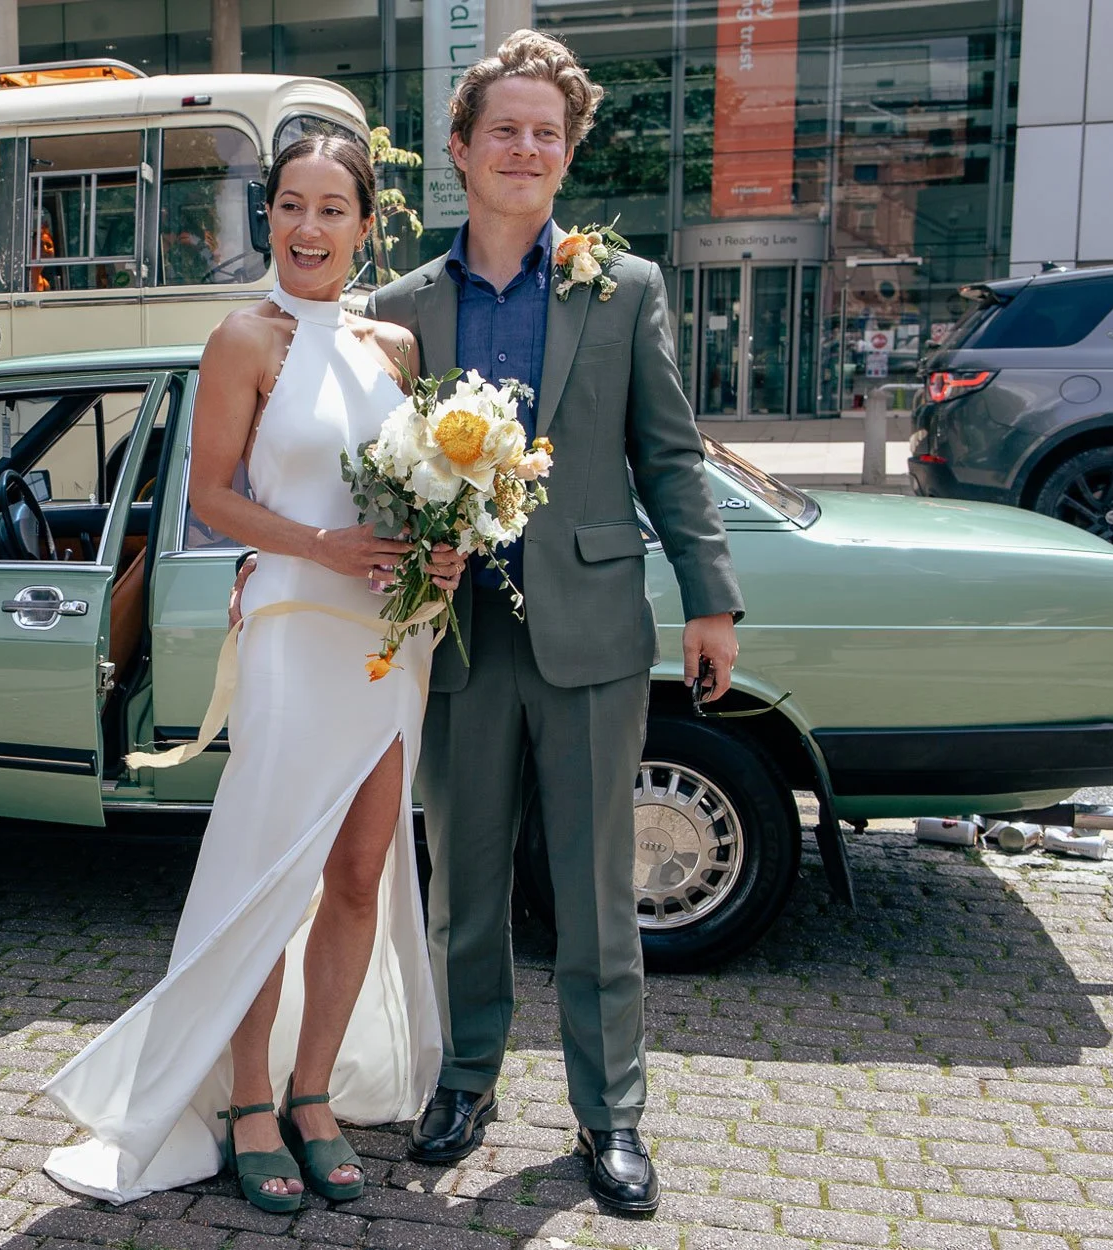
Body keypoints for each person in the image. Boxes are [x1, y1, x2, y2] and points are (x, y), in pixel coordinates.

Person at [41, 133, 466, 1213]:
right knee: (268, 874)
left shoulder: (396, 348)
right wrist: (315, 546)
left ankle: (312, 1090)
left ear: (366, 224)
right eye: (289, 205)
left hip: (385, 636)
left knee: (364, 871)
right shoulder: (241, 338)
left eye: (332, 209)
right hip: (289, 621)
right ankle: (242, 1098)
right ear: (264, 217)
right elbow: (210, 498)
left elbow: (409, 493)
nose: (308, 228)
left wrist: (442, 547)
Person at [363, 29, 742, 1217]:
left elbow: (669, 456)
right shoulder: (398, 306)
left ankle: (609, 1114)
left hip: (589, 633)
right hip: (459, 634)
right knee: (461, 889)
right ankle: (464, 1081)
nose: (524, 148)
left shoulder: (620, 289)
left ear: (564, 154)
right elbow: (369, 474)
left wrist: (710, 594)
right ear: (461, 151)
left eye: (546, 132)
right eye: (504, 130)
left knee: (592, 893)